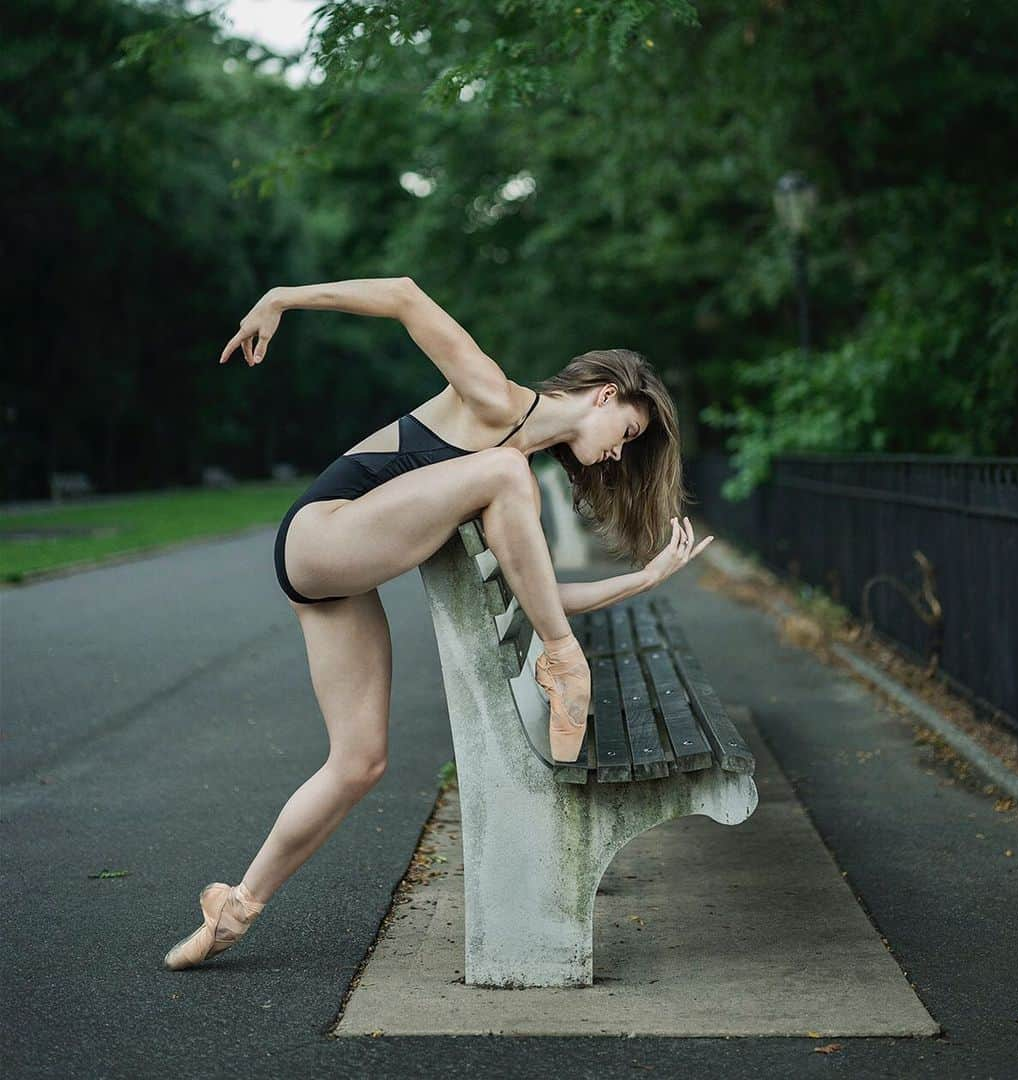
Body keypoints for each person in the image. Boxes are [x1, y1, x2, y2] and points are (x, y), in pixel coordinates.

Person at [163, 276, 714, 970]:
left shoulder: (511, 475)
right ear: (605, 393)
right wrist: (280, 297)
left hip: (337, 576)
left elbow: (537, 592)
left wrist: (642, 578)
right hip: (320, 536)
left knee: (359, 762)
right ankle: (564, 665)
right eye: (628, 432)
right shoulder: (493, 401)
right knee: (506, 471)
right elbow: (403, 294)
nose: (619, 452)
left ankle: (235, 908)